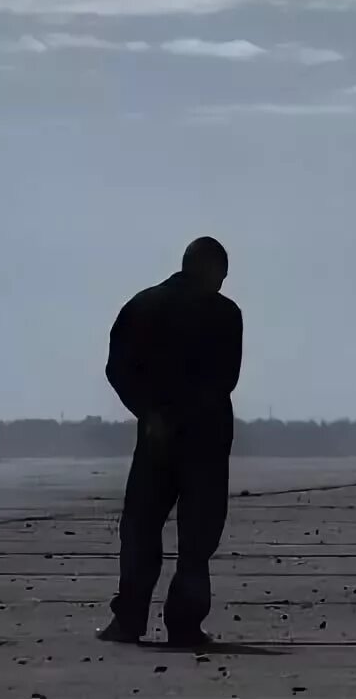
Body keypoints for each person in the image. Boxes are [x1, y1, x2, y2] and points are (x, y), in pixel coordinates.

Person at [97, 236, 243, 647]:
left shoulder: (143, 305)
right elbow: (225, 378)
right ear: (214, 270)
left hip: (156, 438)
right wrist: (191, 412)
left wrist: (150, 411)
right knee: (196, 540)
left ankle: (128, 621)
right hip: (206, 440)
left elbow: (117, 368)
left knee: (142, 528)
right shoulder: (225, 313)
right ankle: (185, 625)